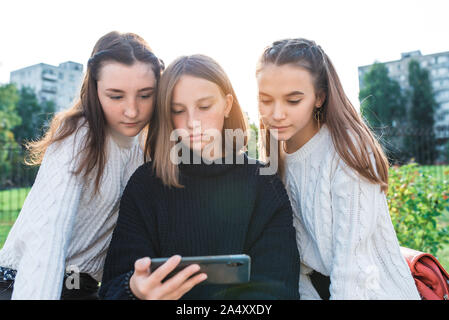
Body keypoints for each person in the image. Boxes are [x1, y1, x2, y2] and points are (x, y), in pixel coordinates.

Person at [99, 54, 300, 300]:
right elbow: (111, 288)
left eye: (204, 107)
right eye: (178, 110)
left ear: (227, 105)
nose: (192, 122)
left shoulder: (264, 184)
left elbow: (279, 290)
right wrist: (135, 291)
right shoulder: (145, 185)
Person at [0, 31, 164, 300]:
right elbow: (47, 239)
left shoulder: (144, 147)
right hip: (25, 285)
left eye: (145, 95)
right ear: (94, 90)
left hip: (83, 290)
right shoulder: (79, 134)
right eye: (116, 96)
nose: (132, 110)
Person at [256, 38, 421, 300]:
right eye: (266, 100)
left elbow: (352, 270)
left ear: (319, 97)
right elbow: (295, 264)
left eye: (293, 100)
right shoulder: (275, 158)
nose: (277, 114)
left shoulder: (347, 150)